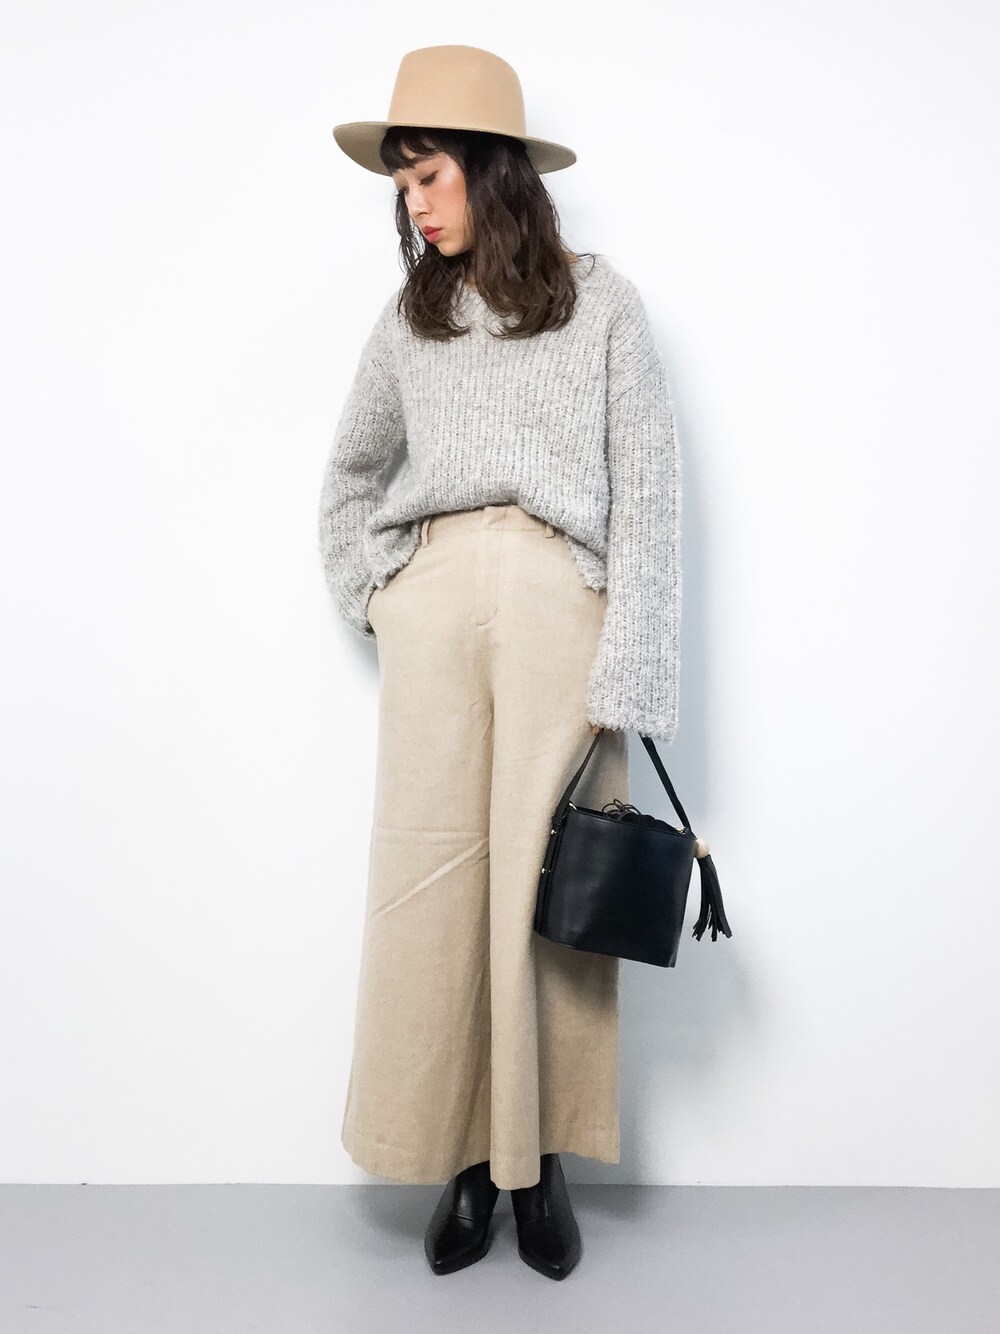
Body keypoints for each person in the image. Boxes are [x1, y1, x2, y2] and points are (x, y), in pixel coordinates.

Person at [318, 45, 681, 1281]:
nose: (415, 204)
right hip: (435, 614)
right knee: (432, 887)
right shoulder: (408, 320)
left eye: (428, 175)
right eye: (402, 185)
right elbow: (348, 474)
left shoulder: (600, 302)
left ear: (492, 169)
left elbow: (649, 494)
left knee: (551, 889)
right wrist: (378, 594)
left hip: (559, 611)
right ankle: (467, 1158)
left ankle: (540, 1159)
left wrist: (630, 668)